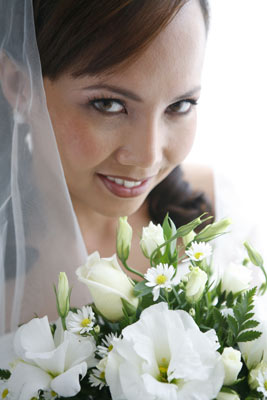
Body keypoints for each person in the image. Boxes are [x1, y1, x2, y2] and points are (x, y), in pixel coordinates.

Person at [0, 0, 265, 367]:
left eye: (181, 105)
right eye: (108, 104)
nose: (149, 157)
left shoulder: (226, 221)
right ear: (19, 84)